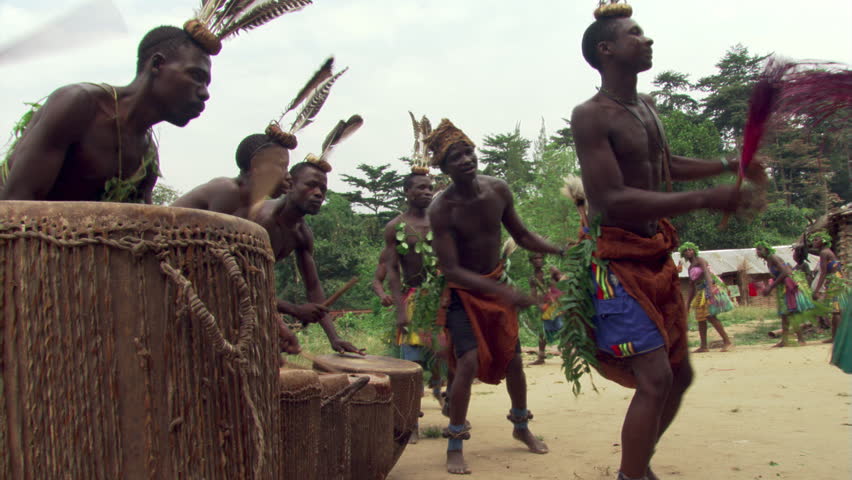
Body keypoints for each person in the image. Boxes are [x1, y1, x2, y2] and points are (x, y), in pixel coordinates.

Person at [571, 2, 766, 479]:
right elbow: (612, 198)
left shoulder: (646, 109)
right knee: (655, 379)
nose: (648, 40)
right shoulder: (591, 116)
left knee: (679, 375)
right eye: (636, 34)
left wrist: (729, 167)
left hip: (655, 255)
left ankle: (633, 468)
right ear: (606, 49)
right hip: (615, 260)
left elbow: (666, 166)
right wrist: (707, 198)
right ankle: (633, 475)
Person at [0, 2, 308, 203]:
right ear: (157, 65)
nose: (205, 93)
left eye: (208, 83)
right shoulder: (79, 105)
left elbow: (141, 228)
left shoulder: (145, 155)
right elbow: (17, 203)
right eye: (196, 77)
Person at [426, 118, 560, 474]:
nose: (467, 159)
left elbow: (524, 235)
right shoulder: (441, 209)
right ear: (444, 167)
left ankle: (521, 426)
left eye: (469, 151)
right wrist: (504, 291)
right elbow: (451, 270)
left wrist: (561, 250)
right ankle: (455, 441)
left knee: (514, 360)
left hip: (497, 288)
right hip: (464, 294)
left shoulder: (498, 190)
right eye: (456, 157)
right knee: (467, 362)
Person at [252, 130, 363, 355]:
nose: (318, 194)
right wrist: (294, 310)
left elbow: (313, 288)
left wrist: (334, 338)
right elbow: (246, 283)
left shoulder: (302, 233)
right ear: (290, 184)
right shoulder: (262, 221)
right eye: (310, 185)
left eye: (322, 189)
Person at [173, 133, 292, 216]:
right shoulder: (228, 190)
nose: (288, 176)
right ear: (256, 165)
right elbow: (214, 245)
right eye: (282, 166)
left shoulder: (250, 204)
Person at [755, 241, 815, 347]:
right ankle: (785, 340)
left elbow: (785, 272)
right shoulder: (769, 260)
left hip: (788, 287)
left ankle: (801, 339)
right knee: (784, 315)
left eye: (760, 249)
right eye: (757, 250)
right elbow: (778, 275)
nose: (757, 252)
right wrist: (768, 286)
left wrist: (771, 287)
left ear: (767, 250)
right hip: (782, 288)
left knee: (791, 313)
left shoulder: (773, 257)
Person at [679, 242, 734, 352]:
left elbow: (708, 275)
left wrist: (711, 291)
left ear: (694, 250)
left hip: (709, 289)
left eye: (690, 249)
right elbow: (691, 287)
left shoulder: (700, 260)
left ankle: (727, 342)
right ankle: (704, 346)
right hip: (700, 292)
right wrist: (687, 304)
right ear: (683, 254)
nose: (688, 251)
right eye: (686, 250)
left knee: (710, 316)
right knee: (700, 319)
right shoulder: (690, 268)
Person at [527, 253, 566, 364]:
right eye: (535, 258)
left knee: (563, 329)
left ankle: (567, 355)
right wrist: (538, 304)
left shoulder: (551, 270)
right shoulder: (532, 278)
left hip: (558, 305)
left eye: (540, 258)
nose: (538, 260)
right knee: (542, 331)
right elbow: (533, 294)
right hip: (545, 307)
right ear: (531, 261)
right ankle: (541, 357)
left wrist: (557, 294)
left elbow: (563, 280)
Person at [811, 232, 846, 343]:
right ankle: (836, 337)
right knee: (836, 310)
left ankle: (836, 338)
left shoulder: (824, 253)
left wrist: (817, 290)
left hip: (835, 282)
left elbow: (823, 272)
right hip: (837, 280)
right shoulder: (828, 252)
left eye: (816, 239)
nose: (814, 242)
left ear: (823, 241)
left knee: (836, 311)